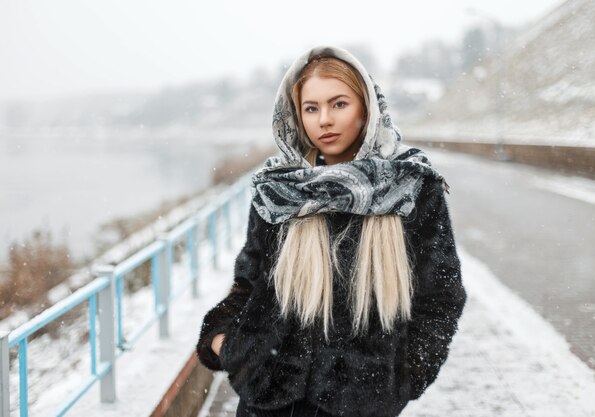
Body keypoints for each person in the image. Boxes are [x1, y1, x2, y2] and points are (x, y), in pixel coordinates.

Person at [196, 45, 467, 417]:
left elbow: (441, 296)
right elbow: (249, 282)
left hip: (360, 405)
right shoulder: (278, 188)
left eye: (339, 104)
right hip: (267, 399)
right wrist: (224, 342)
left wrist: (406, 377)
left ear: (366, 109)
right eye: (311, 108)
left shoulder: (411, 187)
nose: (324, 120)